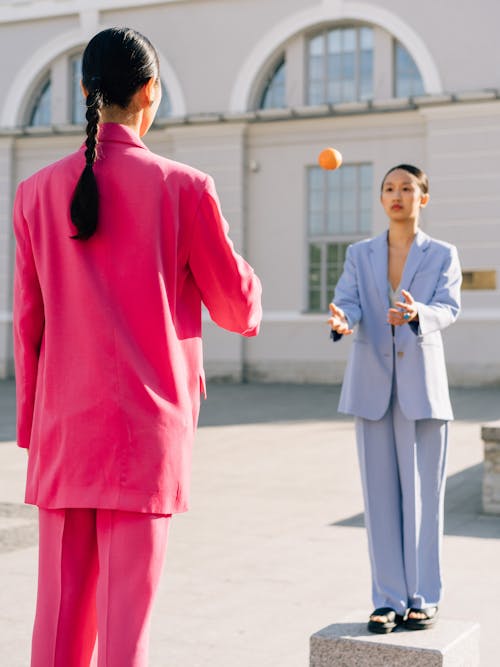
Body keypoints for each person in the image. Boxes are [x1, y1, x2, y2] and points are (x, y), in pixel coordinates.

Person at [13, 27, 262, 666]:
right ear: (151, 91)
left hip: (64, 431)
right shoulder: (185, 187)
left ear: (84, 92)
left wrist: (31, 429)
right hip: (144, 435)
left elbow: (28, 322)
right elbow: (235, 307)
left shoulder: (35, 192)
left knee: (58, 622)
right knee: (127, 631)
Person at [328, 164, 461, 634]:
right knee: (379, 499)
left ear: (423, 197)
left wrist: (417, 313)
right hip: (371, 388)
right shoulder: (360, 254)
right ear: (381, 199)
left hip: (423, 391)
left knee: (425, 499)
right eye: (389, 188)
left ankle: (423, 595)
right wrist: (343, 317)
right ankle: (386, 599)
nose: (397, 195)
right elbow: (349, 300)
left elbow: (448, 308)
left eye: (407, 188)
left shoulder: (442, 254)